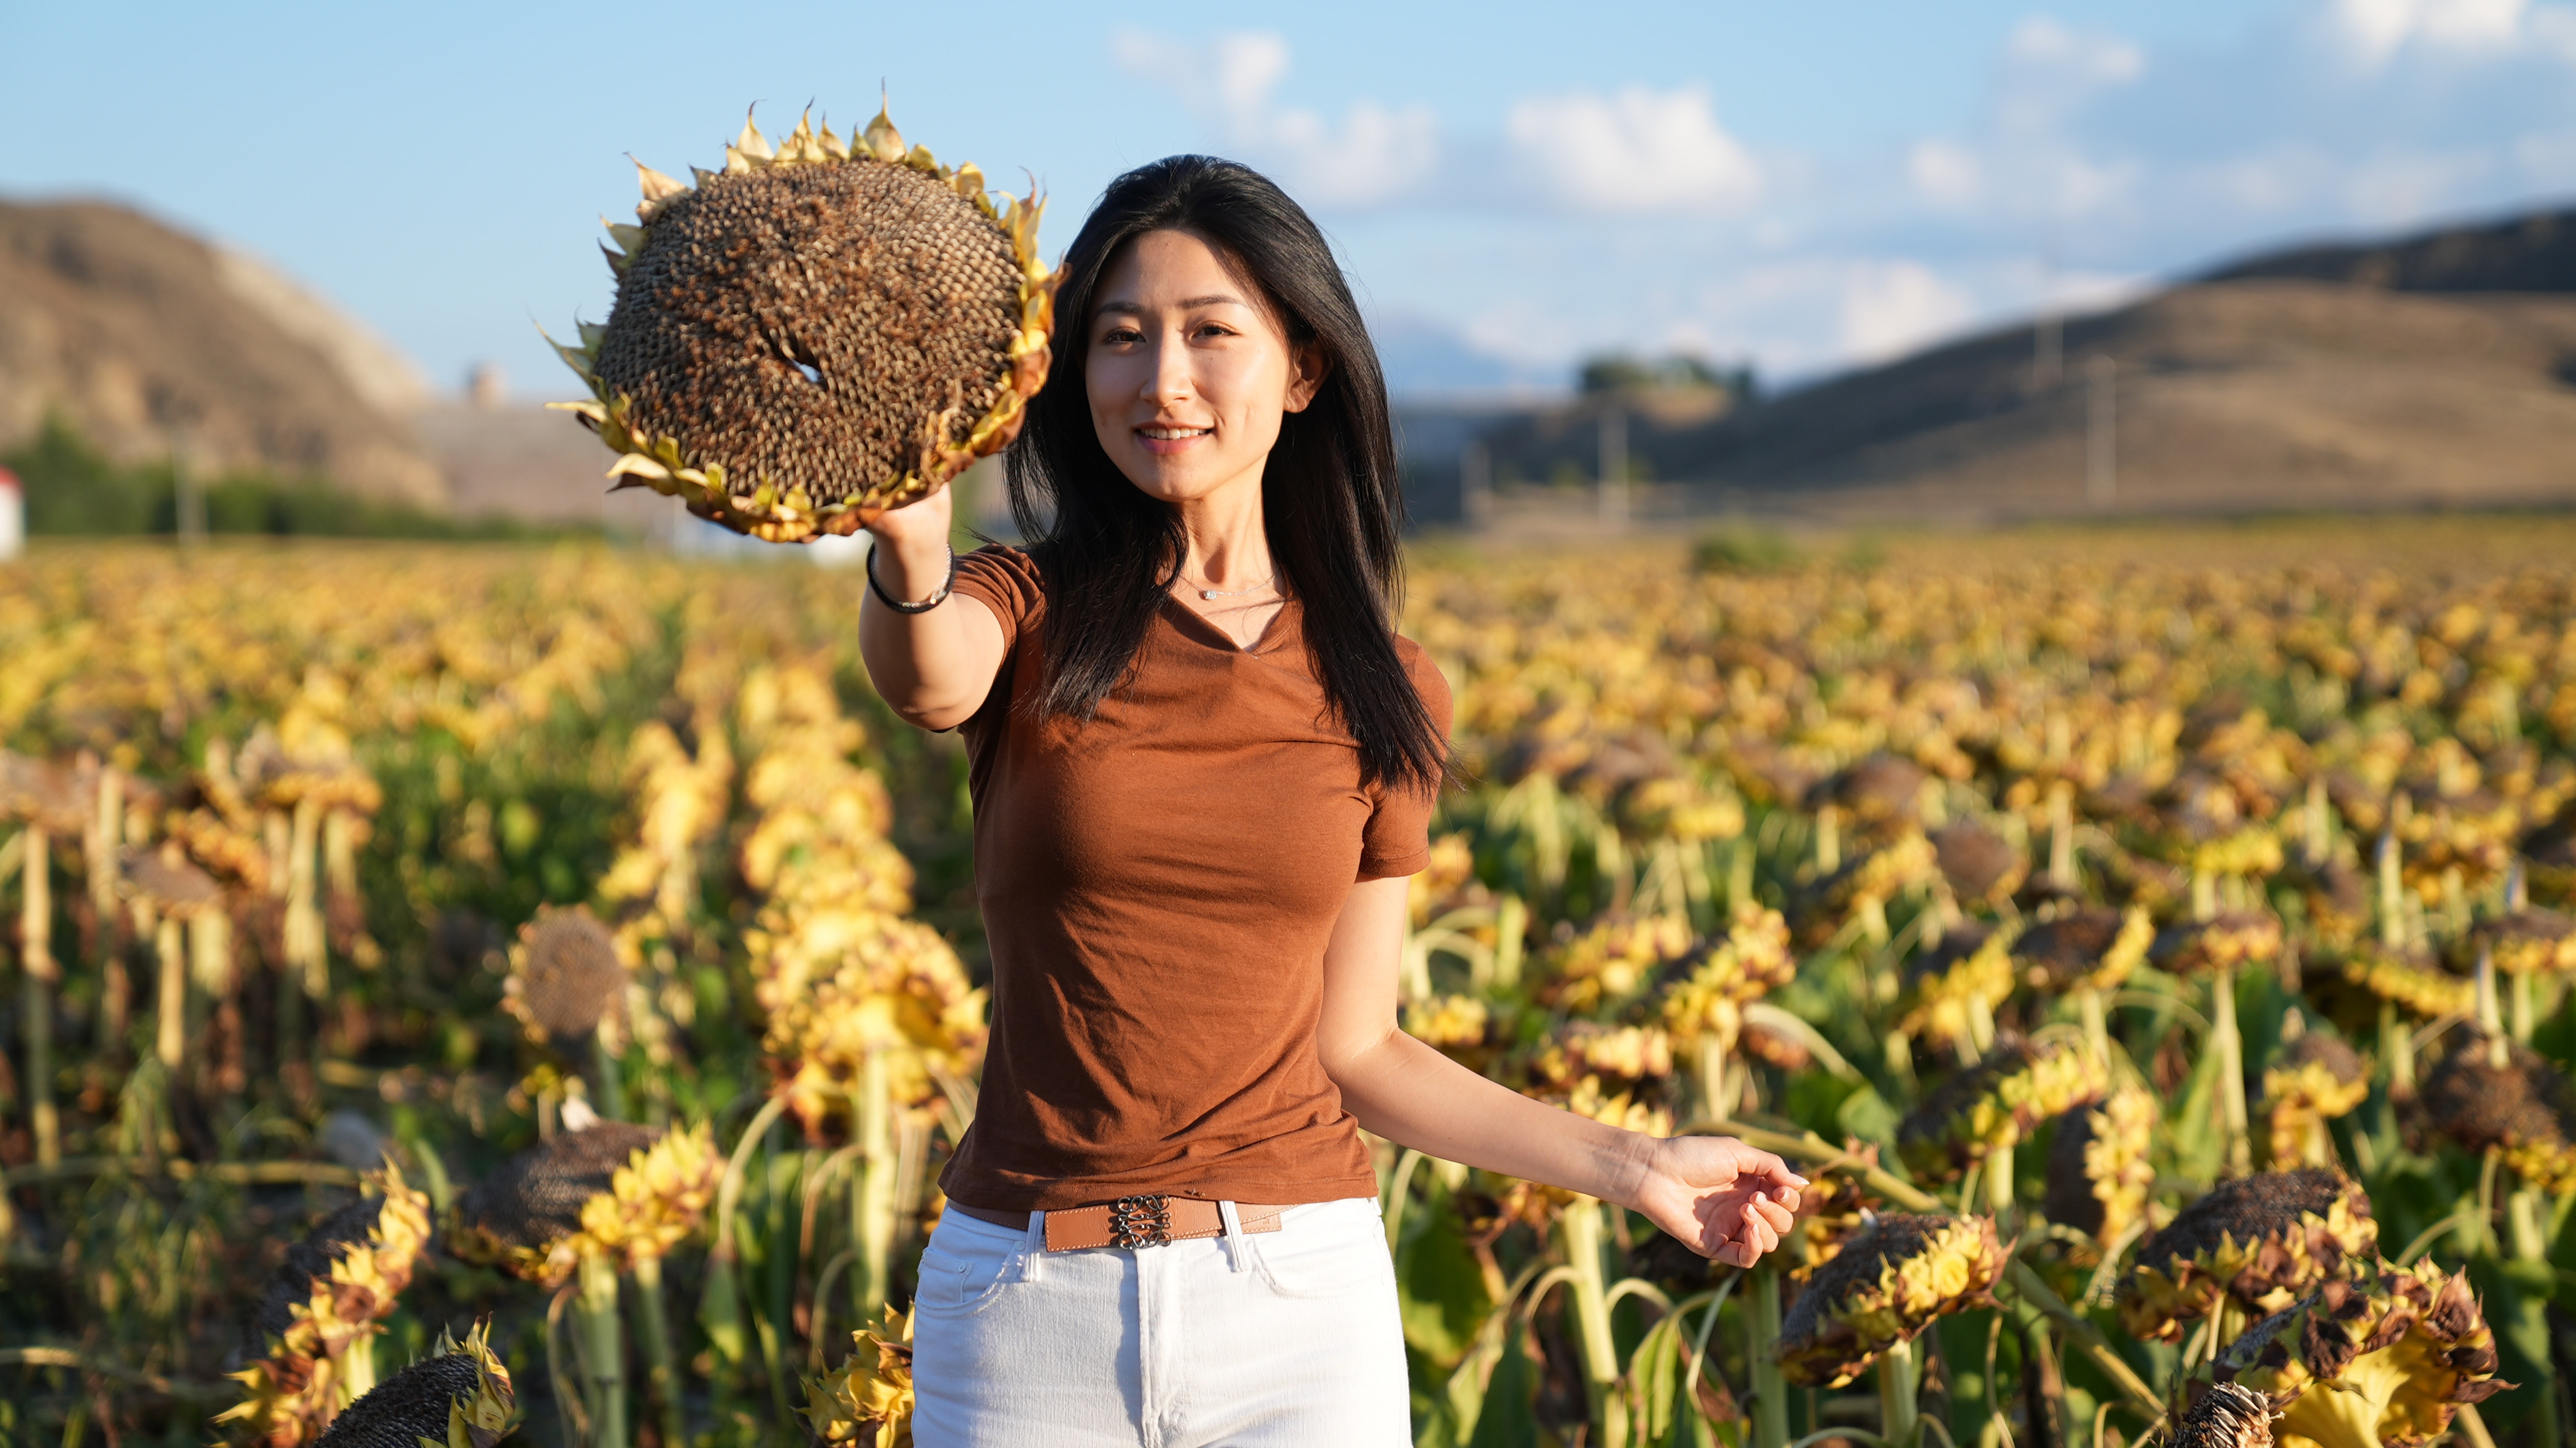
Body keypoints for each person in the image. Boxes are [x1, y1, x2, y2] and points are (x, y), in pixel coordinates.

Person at [857, 154, 1804, 1448]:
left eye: (1209, 333)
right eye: (1120, 340)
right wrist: (910, 548)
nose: (1161, 379)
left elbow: (1358, 1046)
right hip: (1026, 1304)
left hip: (1297, 1307)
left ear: (1300, 368)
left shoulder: (1383, 684)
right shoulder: (1024, 606)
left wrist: (1632, 1163)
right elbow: (925, 676)